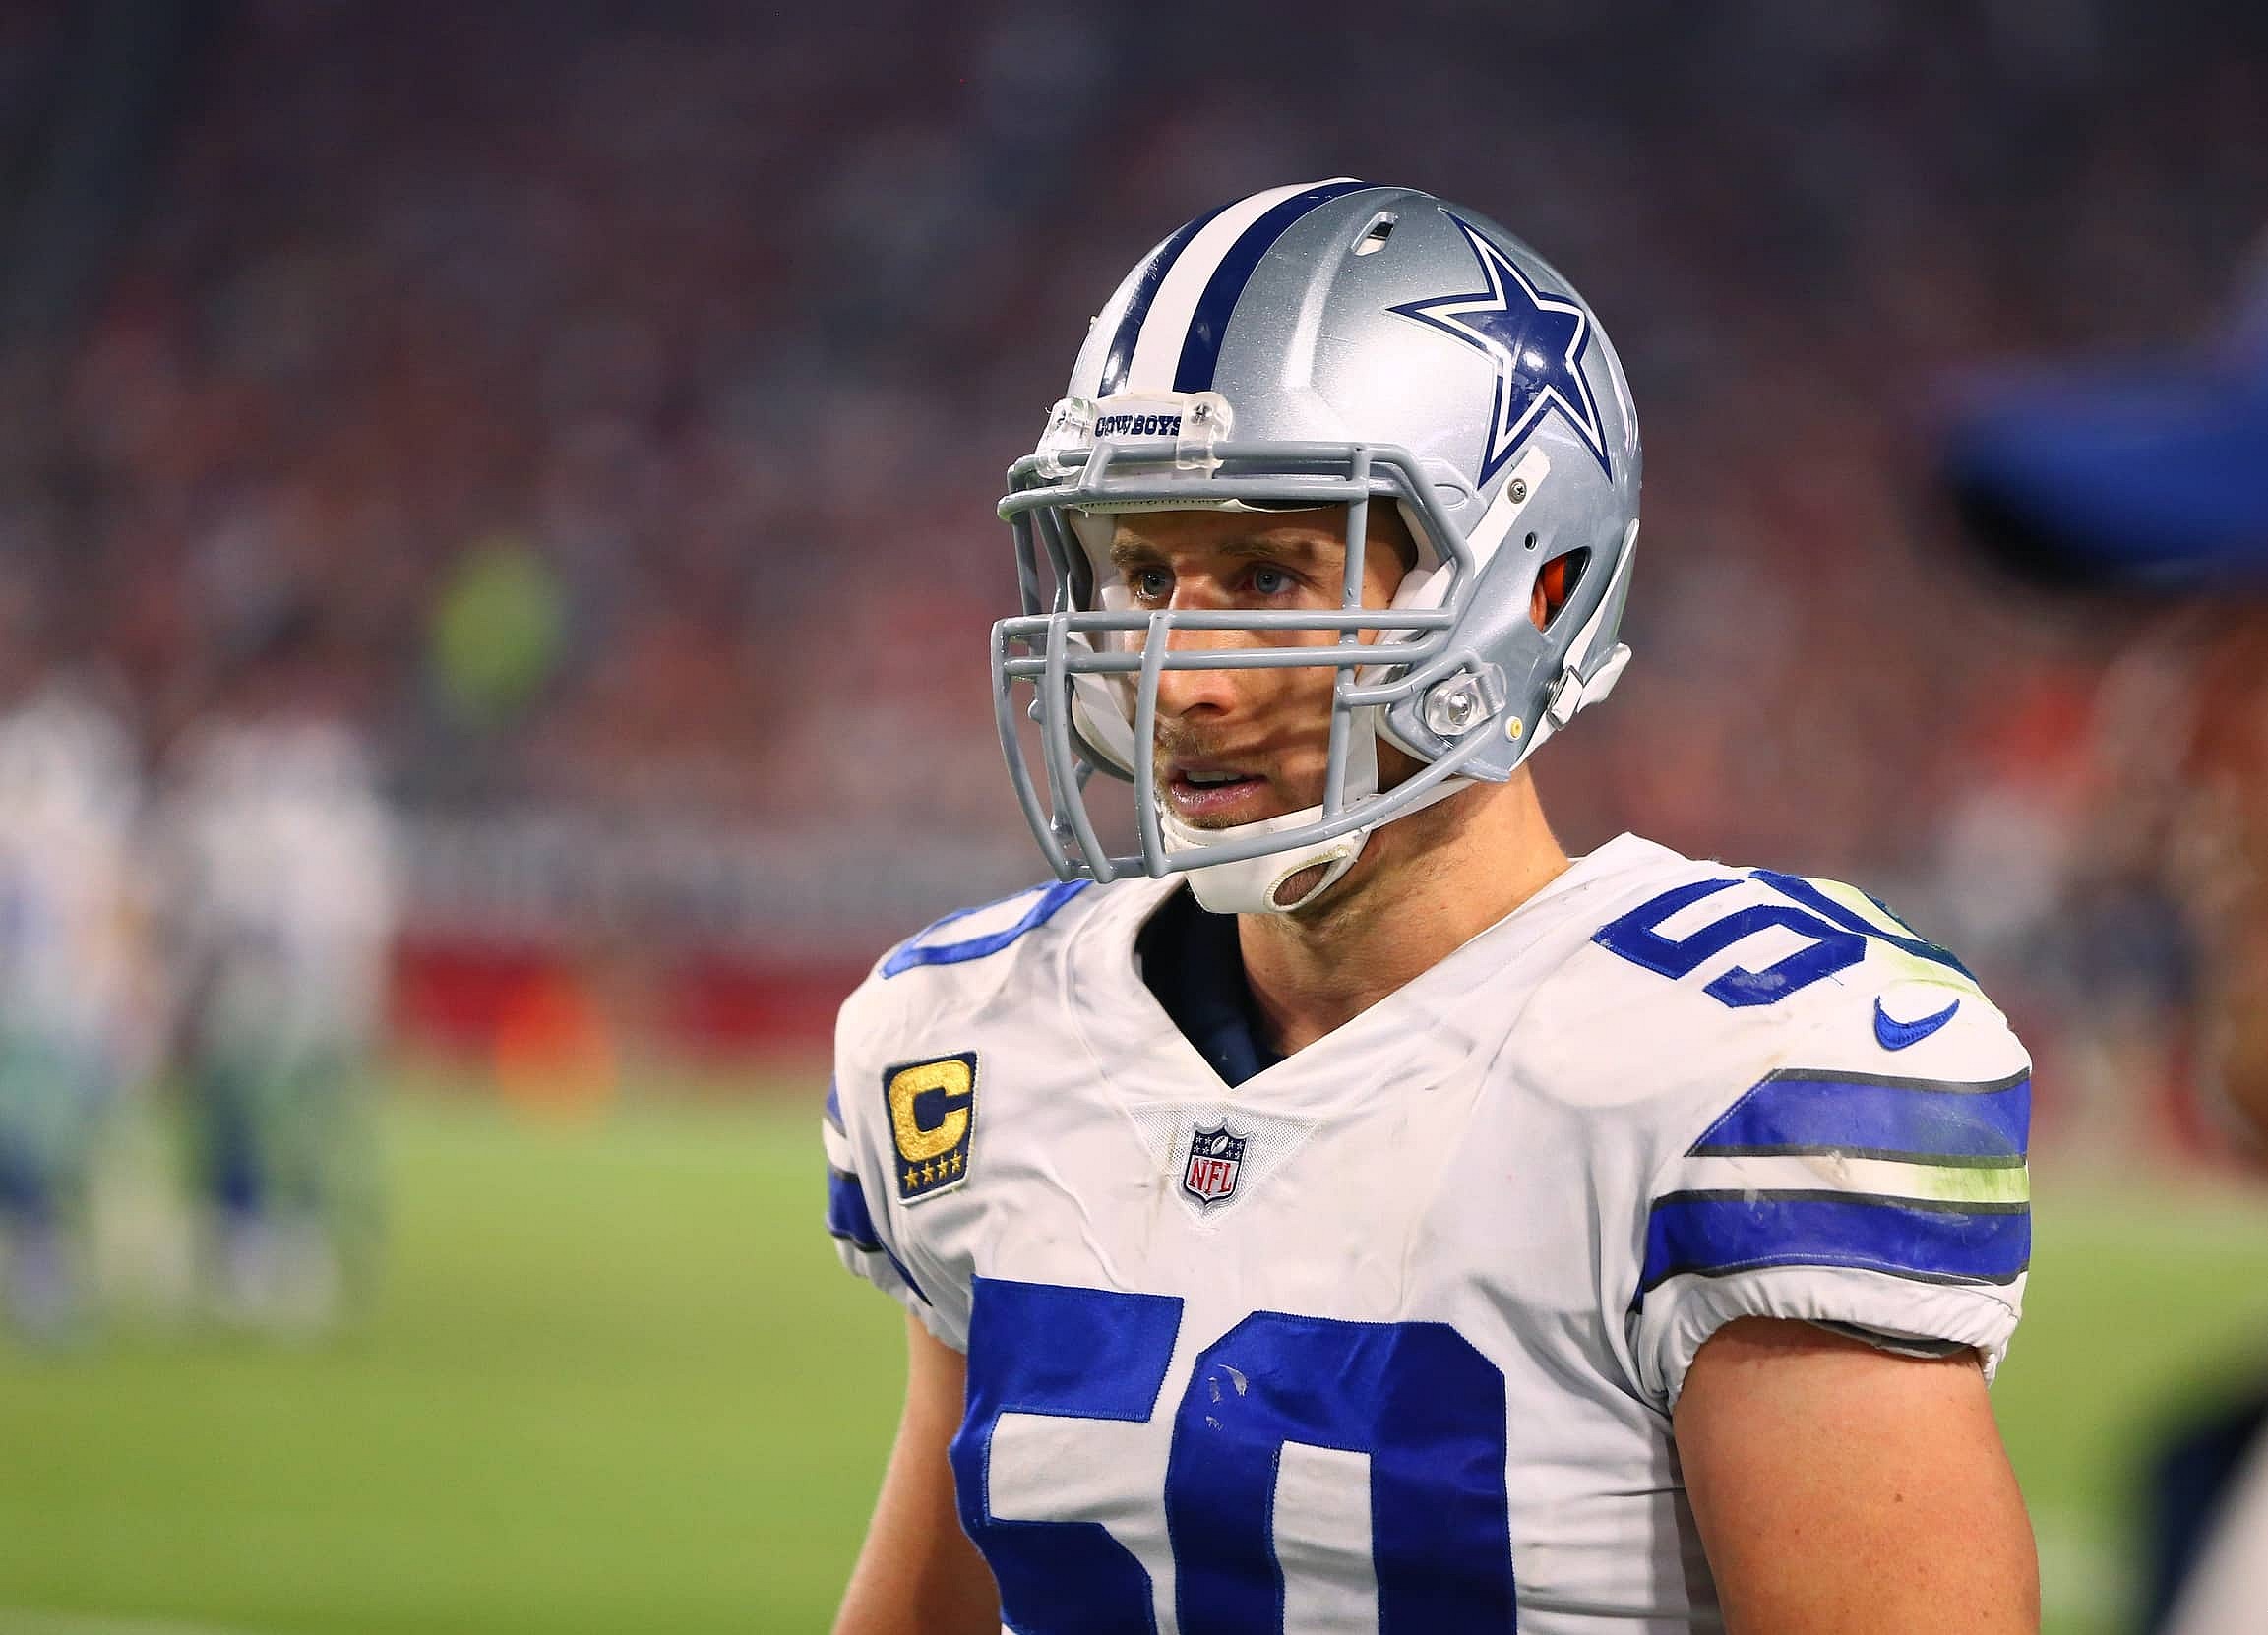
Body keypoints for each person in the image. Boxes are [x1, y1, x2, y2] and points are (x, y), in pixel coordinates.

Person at [824, 180, 2039, 1633]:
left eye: (1269, 576)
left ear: (1534, 584)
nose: (1180, 676)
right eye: (1141, 573)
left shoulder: (1738, 1070)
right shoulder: (976, 1030)